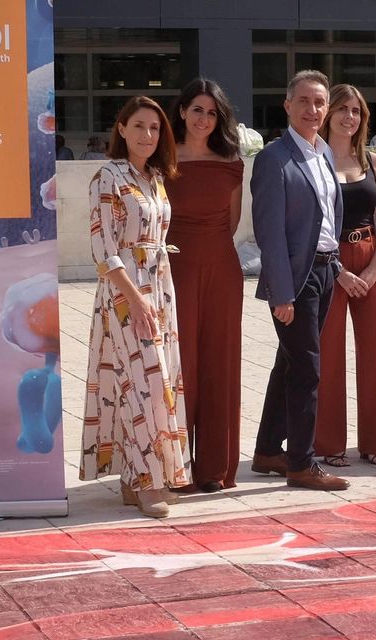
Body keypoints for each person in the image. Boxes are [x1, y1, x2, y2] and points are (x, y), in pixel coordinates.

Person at [79, 96, 189, 518]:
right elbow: (102, 248)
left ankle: (134, 477)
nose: (148, 135)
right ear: (121, 129)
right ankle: (148, 482)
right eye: (139, 126)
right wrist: (133, 296)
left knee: (157, 379)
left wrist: (154, 294)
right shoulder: (106, 177)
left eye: (155, 128)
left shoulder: (157, 176)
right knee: (143, 383)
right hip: (127, 291)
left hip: (160, 287)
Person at [249, 70, 349, 491]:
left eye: (320, 103)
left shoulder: (324, 153)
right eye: (304, 101)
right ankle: (301, 463)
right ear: (287, 105)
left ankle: (269, 449)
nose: (313, 110)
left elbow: (326, 219)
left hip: (326, 270)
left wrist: (338, 266)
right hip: (296, 278)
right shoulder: (274, 158)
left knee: (289, 362)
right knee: (308, 368)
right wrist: (282, 291)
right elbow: (268, 232)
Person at [168, 79, 245, 493]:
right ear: (182, 112)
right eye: (197, 109)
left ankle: (212, 468)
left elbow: (232, 223)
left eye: (212, 112)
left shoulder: (231, 161)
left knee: (220, 365)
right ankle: (175, 466)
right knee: (180, 368)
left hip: (221, 269)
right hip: (174, 269)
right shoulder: (162, 159)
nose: (204, 119)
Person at [315, 84, 376, 467]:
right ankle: (329, 444)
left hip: (371, 258)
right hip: (329, 263)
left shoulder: (374, 162)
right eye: (342, 108)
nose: (350, 116)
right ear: (328, 113)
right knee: (328, 355)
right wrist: (340, 270)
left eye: (357, 111)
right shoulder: (314, 160)